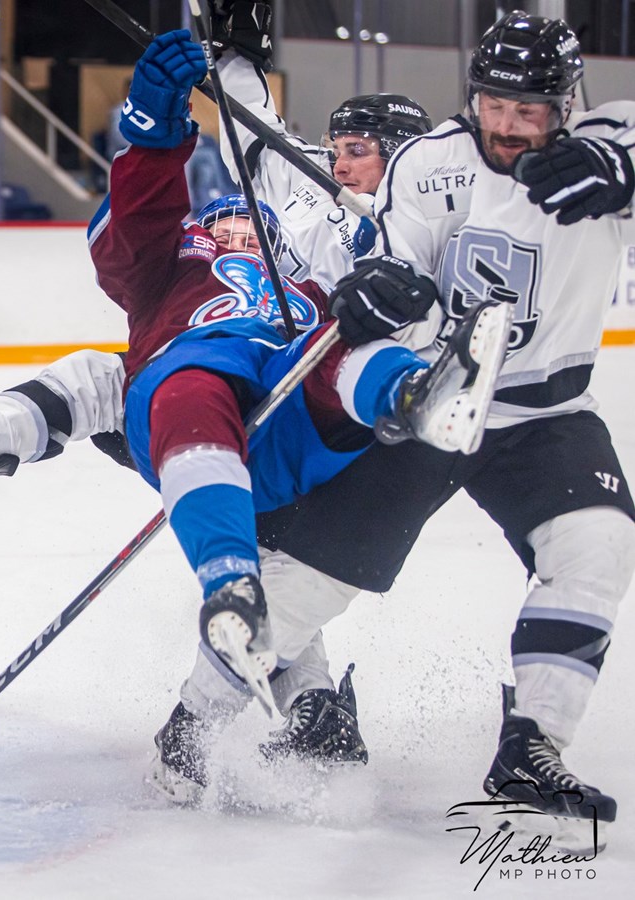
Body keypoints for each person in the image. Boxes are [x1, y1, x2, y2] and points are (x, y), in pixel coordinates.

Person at [0, 11, 432, 777]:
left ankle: (300, 701)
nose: (339, 164)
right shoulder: (295, 198)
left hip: (324, 420)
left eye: (359, 151)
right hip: (240, 382)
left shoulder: (414, 228)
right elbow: (255, 141)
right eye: (337, 148)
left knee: (276, 556)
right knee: (112, 381)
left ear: (409, 160)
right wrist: (231, 59)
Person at [242, 10, 634, 843]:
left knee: (596, 544)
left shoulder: (605, 146)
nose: (507, 125)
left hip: (543, 414)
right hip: (430, 401)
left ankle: (532, 747)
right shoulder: (424, 164)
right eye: (493, 104)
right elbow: (394, 247)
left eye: (529, 109)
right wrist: (382, 285)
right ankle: (198, 718)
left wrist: (620, 166)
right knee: (307, 583)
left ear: (567, 104)